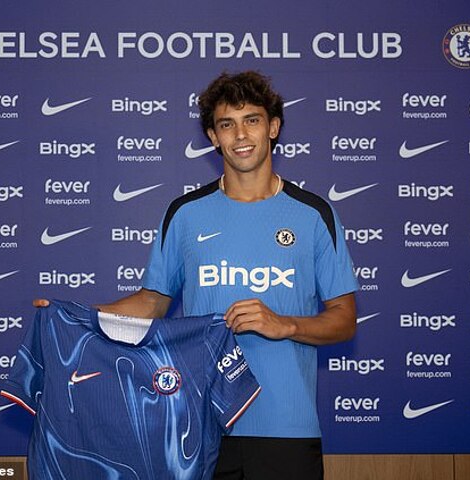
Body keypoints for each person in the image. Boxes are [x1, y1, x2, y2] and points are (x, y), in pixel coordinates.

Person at [35, 70, 358, 479]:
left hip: (285, 428)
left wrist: (285, 325)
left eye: (252, 120)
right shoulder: (185, 214)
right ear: (213, 136)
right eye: (227, 124)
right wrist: (77, 317)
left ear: (273, 127)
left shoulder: (313, 214)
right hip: (199, 424)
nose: (241, 135)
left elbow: (344, 319)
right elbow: (152, 302)